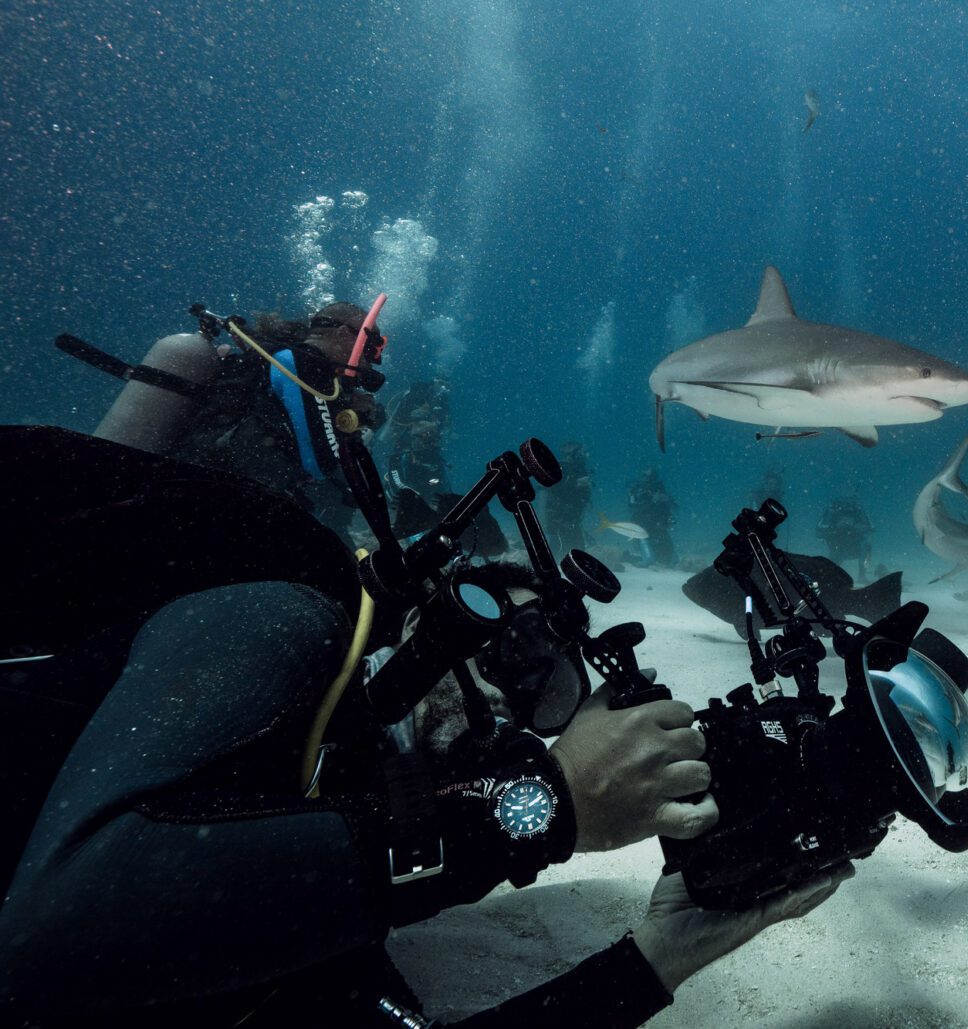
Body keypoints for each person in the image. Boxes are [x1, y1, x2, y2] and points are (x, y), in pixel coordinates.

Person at [0, 426, 849, 1028]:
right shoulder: (289, 612)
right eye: (508, 642)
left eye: (542, 699)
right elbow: (52, 930)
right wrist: (541, 808)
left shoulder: (314, 878)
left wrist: (661, 956)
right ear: (431, 615)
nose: (506, 703)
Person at [79, 300, 390, 541]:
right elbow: (319, 462)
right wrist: (354, 428)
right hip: (206, 498)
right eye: (373, 345)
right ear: (344, 333)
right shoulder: (299, 365)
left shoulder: (310, 372)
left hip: (216, 495)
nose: (372, 358)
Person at [386, 378, 453, 496]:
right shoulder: (402, 455)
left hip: (423, 450)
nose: (443, 388)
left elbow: (443, 424)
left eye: (447, 385)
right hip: (408, 444)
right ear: (434, 381)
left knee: (434, 474)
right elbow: (399, 421)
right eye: (441, 383)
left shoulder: (442, 401)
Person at [542, 441, 595, 559]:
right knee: (558, 547)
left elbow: (583, 491)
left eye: (584, 452)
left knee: (577, 548)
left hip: (574, 514)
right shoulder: (561, 466)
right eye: (581, 452)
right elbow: (551, 486)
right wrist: (575, 483)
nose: (585, 455)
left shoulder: (581, 468)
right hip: (559, 514)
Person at [627, 468, 677, 568]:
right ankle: (649, 557)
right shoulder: (639, 490)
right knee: (649, 552)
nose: (646, 479)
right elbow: (633, 505)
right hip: (645, 523)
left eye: (648, 477)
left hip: (658, 522)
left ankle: (663, 557)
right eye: (644, 476)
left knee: (668, 558)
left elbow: (669, 506)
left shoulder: (659, 488)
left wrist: (663, 499)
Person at [816, 495, 874, 580]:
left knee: (867, 547)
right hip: (837, 547)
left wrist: (856, 527)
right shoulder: (833, 511)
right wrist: (835, 528)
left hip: (854, 546)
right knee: (830, 568)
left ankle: (862, 575)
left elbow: (870, 527)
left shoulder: (857, 511)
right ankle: (827, 576)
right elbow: (820, 528)